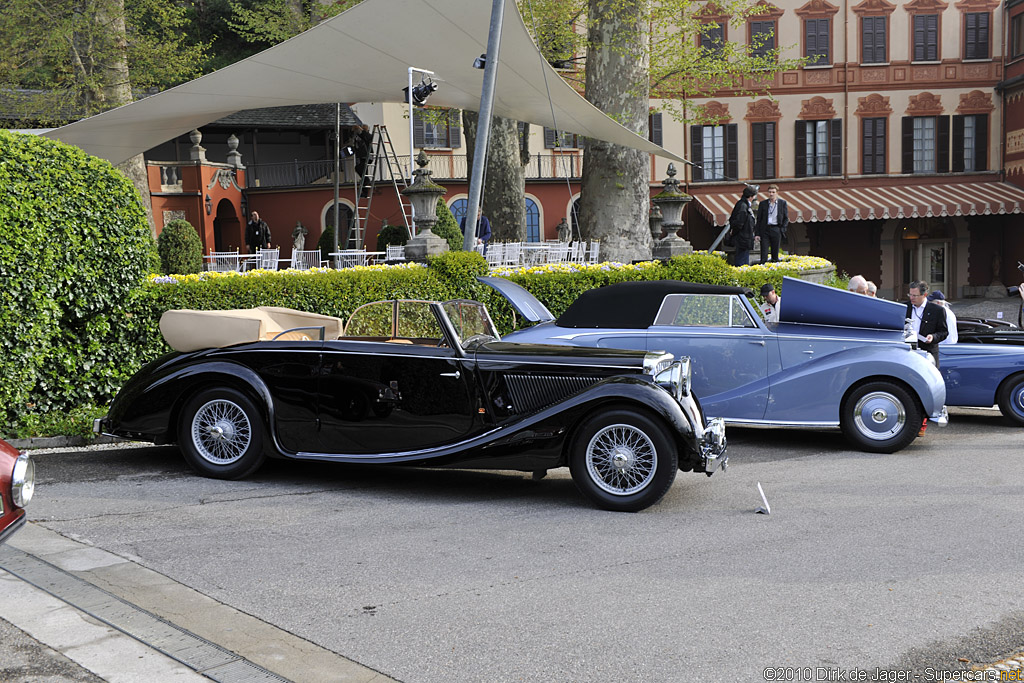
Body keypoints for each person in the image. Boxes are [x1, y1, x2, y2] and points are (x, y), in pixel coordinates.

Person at [755, 184, 788, 263]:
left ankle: (774, 267)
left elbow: (786, 218)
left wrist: (782, 229)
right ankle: (763, 266)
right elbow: (759, 219)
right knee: (764, 251)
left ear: (777, 193)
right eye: (770, 192)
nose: (771, 194)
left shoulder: (782, 203)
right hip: (765, 229)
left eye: (773, 192)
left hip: (776, 228)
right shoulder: (763, 204)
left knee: (775, 252)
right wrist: (757, 233)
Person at [728, 185, 757, 267]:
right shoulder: (743, 206)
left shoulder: (743, 204)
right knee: (742, 262)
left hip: (744, 237)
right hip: (743, 238)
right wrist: (734, 231)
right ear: (751, 196)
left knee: (743, 260)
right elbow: (739, 222)